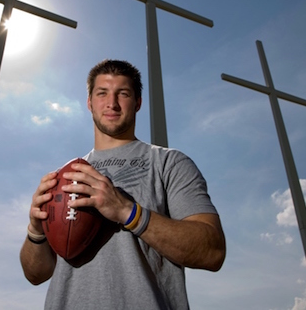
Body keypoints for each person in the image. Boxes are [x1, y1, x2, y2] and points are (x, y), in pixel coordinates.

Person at [20, 59, 225, 309]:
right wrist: (36, 229)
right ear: (89, 103)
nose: (112, 103)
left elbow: (212, 251)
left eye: (123, 94)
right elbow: (35, 274)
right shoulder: (66, 176)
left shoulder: (169, 163)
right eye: (102, 93)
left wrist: (127, 211)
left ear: (137, 103)